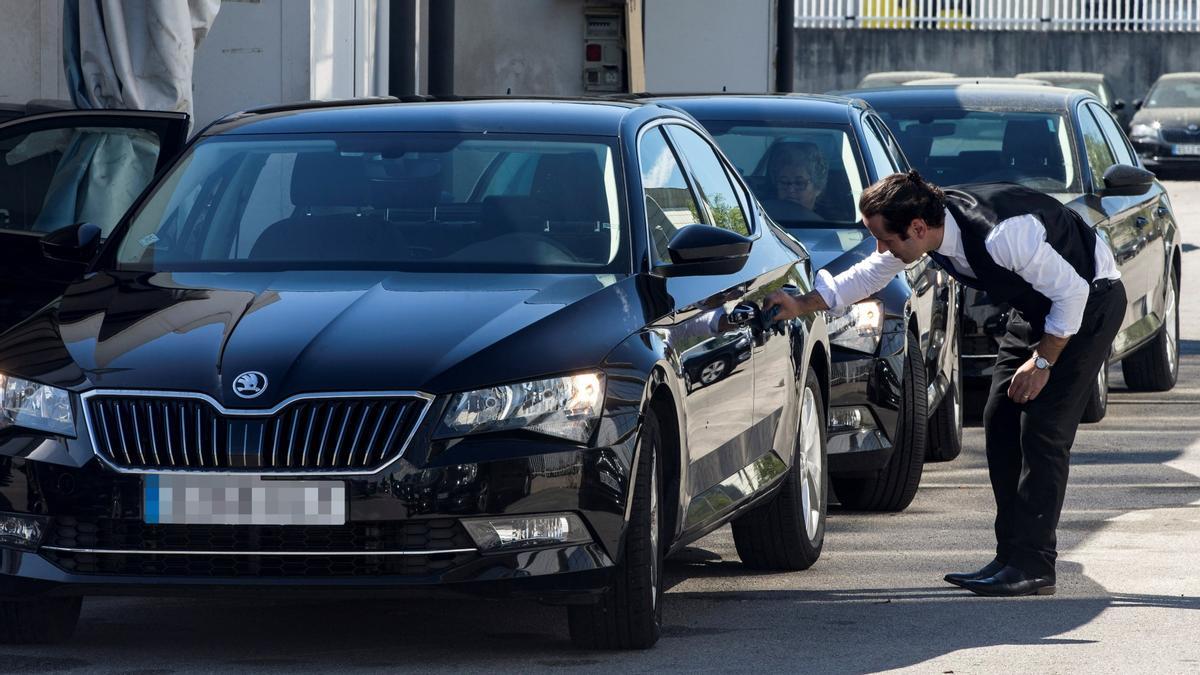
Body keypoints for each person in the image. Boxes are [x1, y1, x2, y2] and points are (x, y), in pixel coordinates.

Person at [765, 171, 1125, 597]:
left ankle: (1034, 565)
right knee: (1001, 419)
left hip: (1087, 305)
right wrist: (802, 303)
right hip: (1037, 310)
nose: (883, 247)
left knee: (1044, 429)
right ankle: (1011, 556)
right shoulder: (930, 226)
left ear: (917, 227)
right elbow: (871, 273)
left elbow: (1072, 294)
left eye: (887, 238)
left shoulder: (1001, 235)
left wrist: (1043, 362)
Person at [762, 142, 827, 222]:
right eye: (784, 182)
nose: (790, 190)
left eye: (799, 183)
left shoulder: (833, 226)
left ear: (818, 187)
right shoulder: (761, 220)